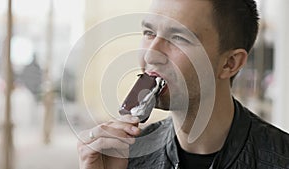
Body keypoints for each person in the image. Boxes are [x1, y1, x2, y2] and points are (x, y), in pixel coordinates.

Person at [77, 0, 289, 168]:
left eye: (178, 37)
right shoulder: (128, 157)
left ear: (229, 64)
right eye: (149, 33)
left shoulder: (280, 159)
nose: (151, 54)